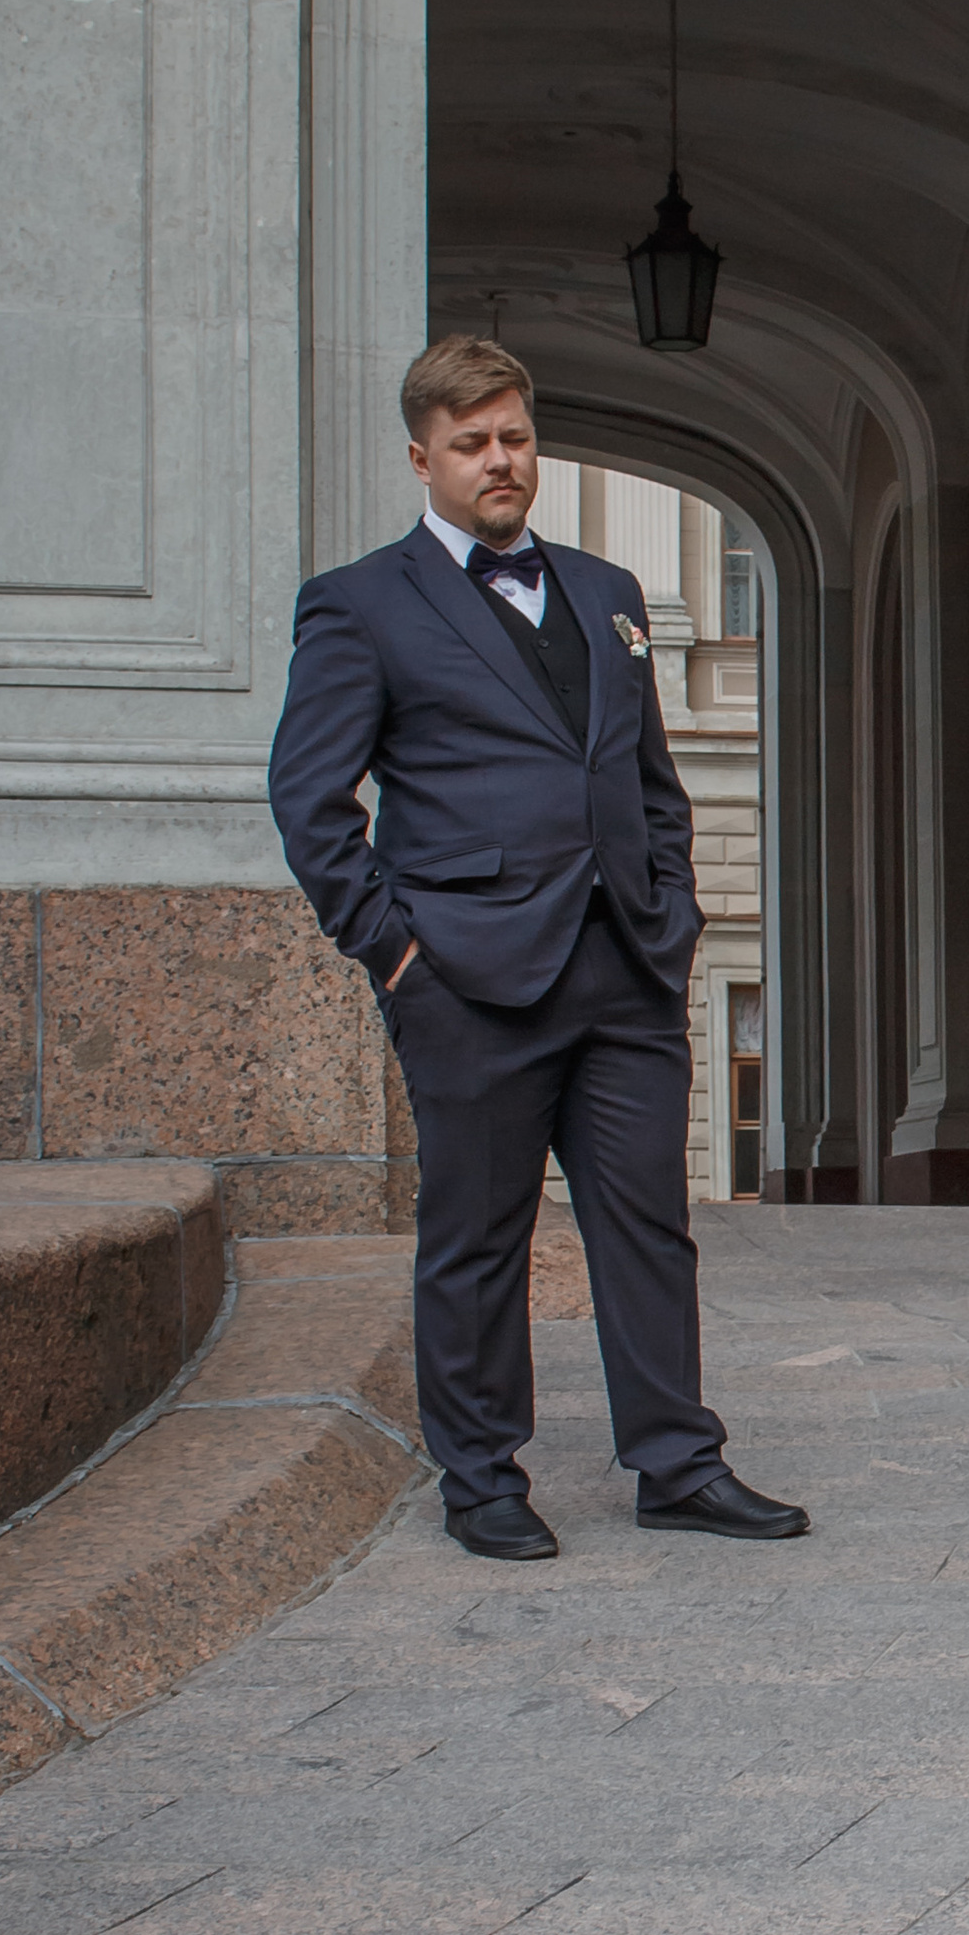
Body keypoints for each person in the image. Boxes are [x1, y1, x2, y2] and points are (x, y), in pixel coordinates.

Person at [267, 338, 808, 1558]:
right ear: (423, 459)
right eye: (471, 443)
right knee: (477, 1237)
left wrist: (671, 915)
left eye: (513, 436)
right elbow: (310, 802)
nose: (500, 460)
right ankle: (482, 1481)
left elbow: (648, 779)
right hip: (467, 976)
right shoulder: (360, 603)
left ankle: (677, 1462)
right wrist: (394, 954)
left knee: (648, 1226)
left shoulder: (608, 590)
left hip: (622, 965)